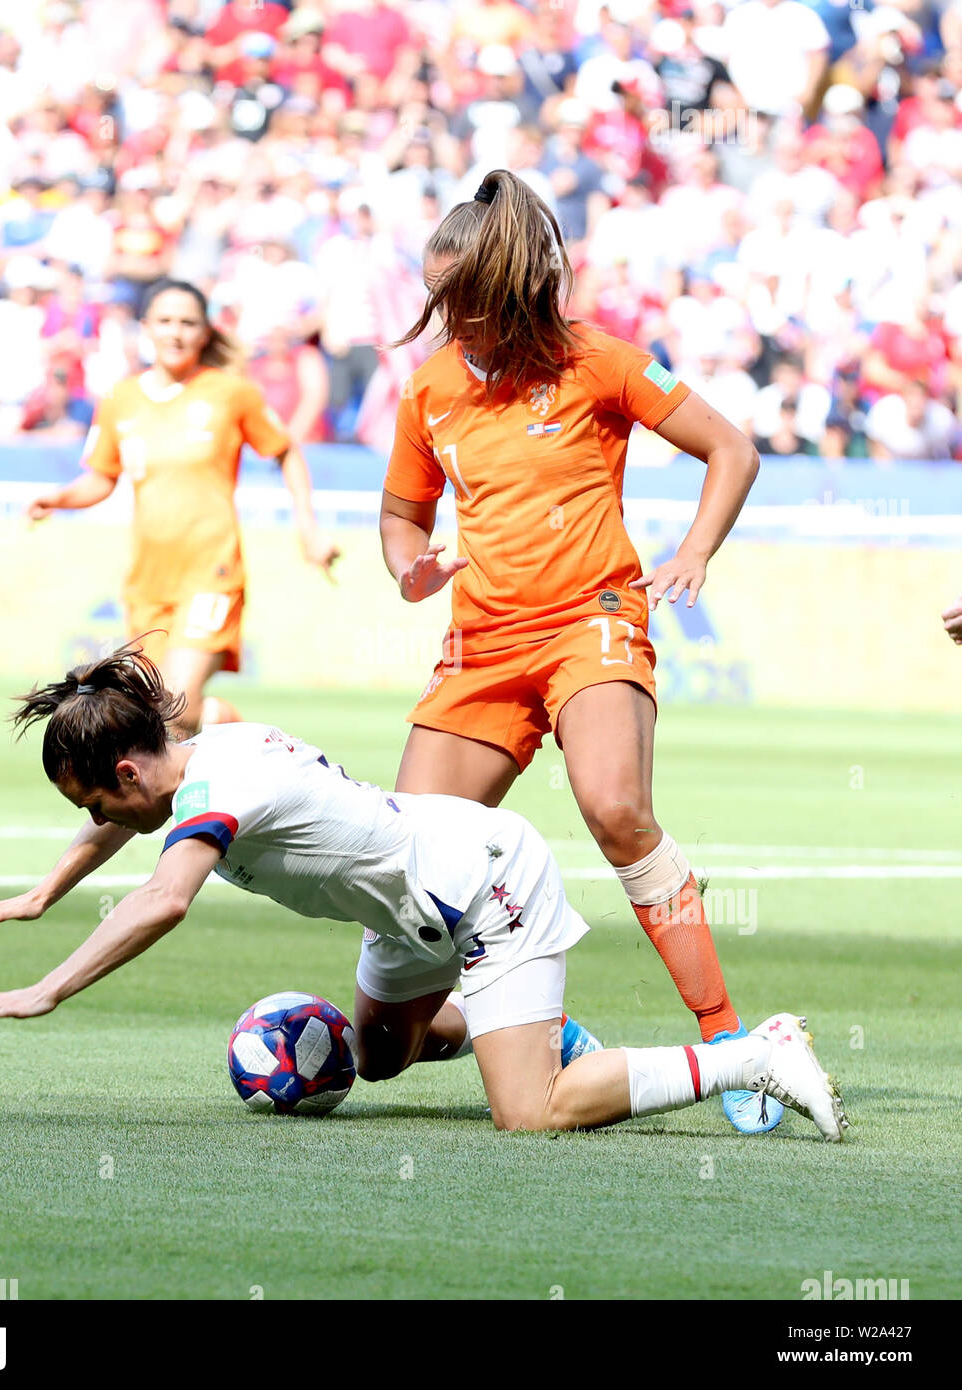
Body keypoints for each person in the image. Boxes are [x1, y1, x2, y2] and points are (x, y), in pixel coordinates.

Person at [0, 645, 847, 1143]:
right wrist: (42, 893)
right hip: (405, 912)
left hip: (481, 884)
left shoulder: (218, 791)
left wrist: (48, 987)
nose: (98, 817)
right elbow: (123, 825)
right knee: (376, 1060)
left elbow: (164, 899)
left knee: (529, 1117)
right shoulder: (196, 764)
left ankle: (750, 1054)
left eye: (96, 796)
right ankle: (546, 1034)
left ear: (130, 766)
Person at [378, 169, 779, 1135]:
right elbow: (400, 514)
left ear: (507, 288)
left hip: (590, 620)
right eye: (435, 298)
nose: (443, 319)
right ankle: (525, 1032)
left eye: (458, 299)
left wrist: (692, 550)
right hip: (478, 646)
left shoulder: (598, 360)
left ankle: (729, 1043)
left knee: (614, 810)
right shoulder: (429, 389)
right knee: (406, 876)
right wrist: (409, 570)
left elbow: (731, 449)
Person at [26, 279, 339, 734]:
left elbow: (286, 450)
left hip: (211, 571)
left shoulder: (230, 393)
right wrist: (58, 498)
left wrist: (308, 528)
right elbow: (102, 478)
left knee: (173, 705)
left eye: (188, 322)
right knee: (153, 718)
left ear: (206, 332)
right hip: (148, 581)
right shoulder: (120, 399)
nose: (176, 332)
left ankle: (235, 730)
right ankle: (221, 752)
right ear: (145, 327)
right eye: (165, 321)